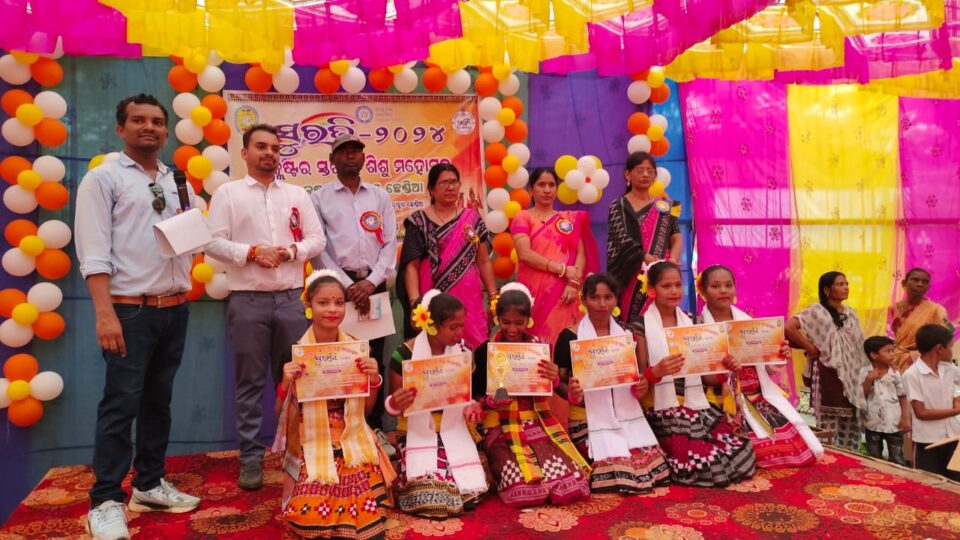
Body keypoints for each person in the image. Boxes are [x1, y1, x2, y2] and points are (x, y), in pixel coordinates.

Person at [75, 93, 201, 539]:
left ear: (166, 131)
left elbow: (194, 237)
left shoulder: (177, 180)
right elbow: (93, 251)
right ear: (121, 128)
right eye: (138, 120)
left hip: (174, 309)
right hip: (129, 311)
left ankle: (148, 484)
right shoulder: (103, 179)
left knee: (157, 402)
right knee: (120, 405)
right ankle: (105, 500)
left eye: (156, 121)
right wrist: (104, 313)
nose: (149, 127)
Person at [205, 123, 327, 491]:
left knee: (298, 379)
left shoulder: (296, 194)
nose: (269, 153)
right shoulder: (227, 194)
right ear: (244, 153)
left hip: (292, 299)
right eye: (261, 146)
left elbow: (317, 240)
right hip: (248, 301)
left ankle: (301, 451)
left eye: (275, 147)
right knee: (250, 382)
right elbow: (212, 242)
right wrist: (252, 253)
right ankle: (250, 457)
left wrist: (290, 251)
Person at [273, 270, 395, 538]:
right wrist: (285, 384)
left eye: (339, 303)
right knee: (307, 518)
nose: (332, 309)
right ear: (308, 305)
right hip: (310, 431)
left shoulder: (356, 349)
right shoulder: (295, 351)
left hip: (350, 427)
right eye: (323, 302)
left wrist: (373, 379)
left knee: (355, 472)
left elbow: (366, 411)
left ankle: (348, 515)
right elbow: (279, 413)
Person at [473, 283, 591, 506]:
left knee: (570, 479)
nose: (512, 329)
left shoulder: (538, 348)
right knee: (523, 486)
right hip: (499, 425)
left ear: (528, 320)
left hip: (536, 421)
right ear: (497, 318)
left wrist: (553, 378)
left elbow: (551, 388)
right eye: (506, 322)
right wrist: (490, 401)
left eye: (519, 323)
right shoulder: (486, 350)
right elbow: (475, 397)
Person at [641, 261, 756, 486]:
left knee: (739, 446)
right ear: (652, 290)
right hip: (660, 406)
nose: (674, 291)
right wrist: (657, 371)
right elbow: (638, 380)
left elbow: (706, 376)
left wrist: (725, 371)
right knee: (707, 461)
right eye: (666, 286)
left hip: (695, 401)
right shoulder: (639, 325)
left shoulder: (692, 322)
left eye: (678, 285)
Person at [554, 273, 672, 493]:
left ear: (616, 299)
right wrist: (571, 393)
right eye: (595, 298)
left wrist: (641, 386)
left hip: (625, 414)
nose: (602, 304)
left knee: (651, 467)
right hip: (586, 418)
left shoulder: (627, 335)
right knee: (616, 469)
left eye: (608, 297)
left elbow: (635, 377)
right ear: (583, 300)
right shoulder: (569, 337)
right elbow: (558, 382)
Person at [310, 134, 398, 430]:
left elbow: (390, 243)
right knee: (339, 358)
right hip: (337, 291)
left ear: (364, 158)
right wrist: (346, 285)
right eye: (343, 151)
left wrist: (370, 283)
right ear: (332, 160)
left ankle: (373, 426)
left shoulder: (379, 196)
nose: (350, 156)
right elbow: (318, 247)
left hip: (374, 287)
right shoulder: (319, 198)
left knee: (373, 357)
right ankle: (340, 426)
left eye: (356, 151)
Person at [698, 265, 822, 468]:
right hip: (723, 399)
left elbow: (768, 369)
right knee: (746, 455)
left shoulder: (749, 323)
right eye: (716, 286)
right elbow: (704, 377)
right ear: (703, 291)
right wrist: (727, 371)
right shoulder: (698, 326)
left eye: (728, 285)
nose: (723, 290)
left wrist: (780, 355)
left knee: (794, 450)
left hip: (758, 395)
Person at [386, 291, 488, 517]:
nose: (459, 332)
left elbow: (464, 395)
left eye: (461, 326)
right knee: (426, 490)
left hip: (452, 426)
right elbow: (395, 405)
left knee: (467, 488)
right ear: (432, 325)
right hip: (416, 430)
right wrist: (395, 402)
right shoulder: (404, 354)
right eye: (453, 327)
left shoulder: (462, 352)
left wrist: (471, 406)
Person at [397, 163, 497, 350]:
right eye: (443, 183)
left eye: (454, 182)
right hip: (432, 299)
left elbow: (483, 261)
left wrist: (493, 298)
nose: (450, 187)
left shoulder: (473, 219)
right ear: (431, 189)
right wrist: (415, 304)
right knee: (435, 347)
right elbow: (411, 267)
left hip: (469, 298)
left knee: (474, 347)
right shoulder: (419, 221)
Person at [512, 168, 599, 348]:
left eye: (551, 185)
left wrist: (573, 284)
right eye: (541, 185)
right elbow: (524, 254)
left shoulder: (568, 220)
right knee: (537, 344)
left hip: (566, 293)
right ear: (530, 190)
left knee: (566, 345)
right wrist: (562, 270)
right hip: (534, 293)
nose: (547, 190)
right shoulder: (523, 217)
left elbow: (581, 253)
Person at [786, 271, 868, 452]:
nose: (845, 287)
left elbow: (858, 344)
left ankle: (850, 459)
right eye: (840, 284)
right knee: (828, 423)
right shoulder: (816, 311)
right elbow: (789, 327)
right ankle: (828, 458)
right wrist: (810, 347)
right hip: (828, 371)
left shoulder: (851, 313)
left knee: (851, 421)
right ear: (826, 289)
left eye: (846, 284)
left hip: (851, 374)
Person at [606, 152, 682, 333]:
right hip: (631, 273)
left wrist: (672, 261)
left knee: (664, 319)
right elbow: (623, 241)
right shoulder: (619, 205)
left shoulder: (666, 205)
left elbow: (676, 237)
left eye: (650, 171)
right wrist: (645, 258)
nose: (646, 174)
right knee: (633, 323)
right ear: (628, 174)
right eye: (640, 170)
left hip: (663, 274)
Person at [902, 324, 960, 481]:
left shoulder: (948, 369)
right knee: (929, 484)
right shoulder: (912, 375)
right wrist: (956, 410)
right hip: (927, 441)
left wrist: (956, 398)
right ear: (939, 348)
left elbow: (957, 389)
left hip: (953, 437)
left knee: (955, 484)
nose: (952, 351)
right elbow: (921, 413)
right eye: (950, 347)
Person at [889, 268, 954, 370]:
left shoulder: (936, 309)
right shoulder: (895, 307)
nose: (920, 284)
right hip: (893, 359)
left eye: (925, 282)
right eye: (915, 280)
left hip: (918, 362)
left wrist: (922, 354)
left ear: (928, 287)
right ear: (904, 283)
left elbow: (950, 329)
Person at [860, 336, 910, 465]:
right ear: (874, 355)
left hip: (893, 423)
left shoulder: (895, 373)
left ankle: (897, 476)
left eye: (892, 351)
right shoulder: (865, 372)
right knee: (874, 458)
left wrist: (905, 417)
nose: (892, 354)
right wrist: (869, 380)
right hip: (872, 423)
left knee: (897, 458)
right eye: (888, 351)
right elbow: (862, 395)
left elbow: (902, 395)